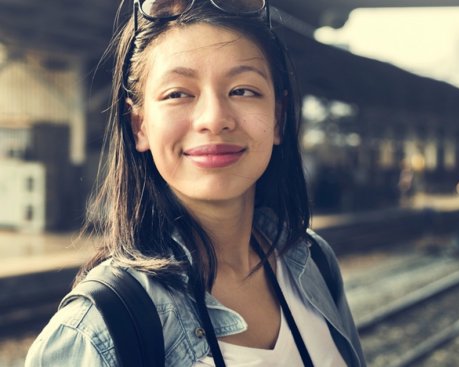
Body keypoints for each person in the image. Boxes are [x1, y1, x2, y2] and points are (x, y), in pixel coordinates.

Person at [25, 1, 366, 366]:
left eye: (243, 90)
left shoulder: (311, 260)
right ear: (139, 125)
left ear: (279, 117)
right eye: (178, 93)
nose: (214, 119)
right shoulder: (97, 331)